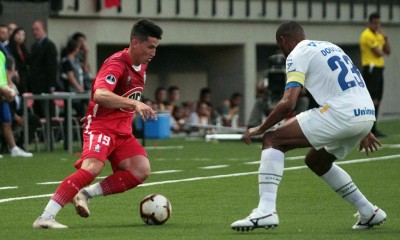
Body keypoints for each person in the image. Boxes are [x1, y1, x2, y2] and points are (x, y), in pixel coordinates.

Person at [231, 21, 386, 231]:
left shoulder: (297, 53)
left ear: (283, 41)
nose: (283, 53)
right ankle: (368, 211)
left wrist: (260, 128)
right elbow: (348, 84)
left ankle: (265, 211)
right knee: (317, 161)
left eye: (280, 48)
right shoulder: (330, 47)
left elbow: (288, 103)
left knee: (272, 139)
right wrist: (364, 126)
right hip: (365, 114)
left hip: (342, 113)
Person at [33, 18, 163, 229]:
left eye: (156, 47)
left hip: (121, 130)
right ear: (135, 43)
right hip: (102, 126)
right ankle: (46, 217)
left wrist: (129, 107)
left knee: (141, 169)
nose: (153, 52)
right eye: (150, 47)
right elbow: (100, 94)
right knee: (92, 167)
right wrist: (133, 105)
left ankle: (86, 193)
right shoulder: (116, 63)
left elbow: (115, 99)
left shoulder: (142, 67)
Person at [359, 12, 391, 137]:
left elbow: (388, 51)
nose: (377, 26)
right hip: (370, 69)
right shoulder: (366, 35)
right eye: (375, 23)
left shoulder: (379, 35)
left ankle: (374, 128)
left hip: (379, 69)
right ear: (369, 23)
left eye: (379, 23)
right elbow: (379, 53)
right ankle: (368, 129)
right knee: (372, 99)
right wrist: (380, 42)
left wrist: (386, 38)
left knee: (378, 98)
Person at [0, 48, 32, 157]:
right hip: (3, 90)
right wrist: (11, 91)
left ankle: (14, 148)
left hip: (3, 90)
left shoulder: (2, 55)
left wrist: (10, 87)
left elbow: (3, 76)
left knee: (6, 121)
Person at [29, 20, 58, 117]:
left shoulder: (49, 46)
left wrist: (52, 85)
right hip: (35, 85)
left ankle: (49, 131)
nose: (35, 32)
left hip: (45, 85)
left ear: (44, 30)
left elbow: (52, 67)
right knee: (38, 112)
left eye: (37, 29)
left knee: (47, 112)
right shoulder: (34, 47)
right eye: (33, 30)